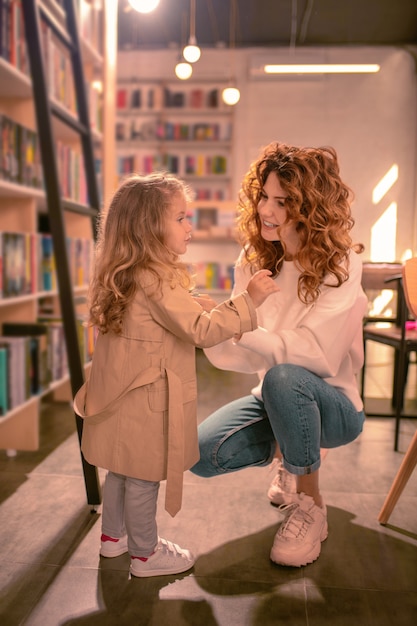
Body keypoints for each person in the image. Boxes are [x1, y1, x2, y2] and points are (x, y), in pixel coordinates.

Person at [73, 172, 278, 578]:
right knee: (145, 476)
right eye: (181, 218)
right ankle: (146, 555)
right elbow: (200, 331)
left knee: (120, 469)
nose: (190, 226)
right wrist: (248, 300)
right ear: (150, 227)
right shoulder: (158, 277)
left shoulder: (123, 272)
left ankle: (113, 539)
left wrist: (197, 303)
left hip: (119, 398)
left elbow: (163, 319)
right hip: (148, 401)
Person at [190, 142, 368, 568]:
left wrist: (241, 322)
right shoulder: (254, 259)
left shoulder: (340, 264)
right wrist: (212, 323)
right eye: (264, 197)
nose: (266, 210)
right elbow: (242, 357)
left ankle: (311, 505)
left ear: (311, 206)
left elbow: (317, 356)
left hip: (337, 406)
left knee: (285, 377)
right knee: (200, 453)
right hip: (274, 395)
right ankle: (294, 447)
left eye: (282, 201)